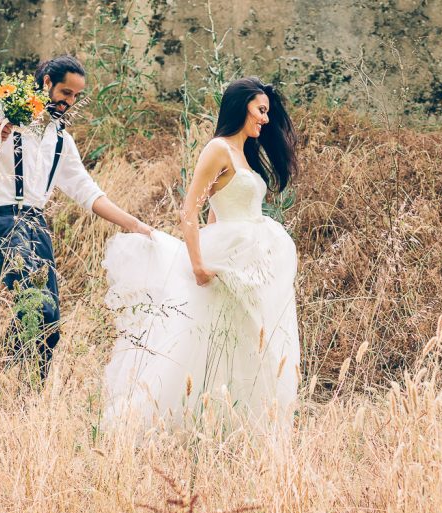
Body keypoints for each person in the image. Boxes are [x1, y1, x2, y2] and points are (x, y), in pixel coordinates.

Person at [101, 76, 300, 429]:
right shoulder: (218, 149)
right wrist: (198, 265)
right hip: (222, 262)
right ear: (241, 106)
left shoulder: (245, 154)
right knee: (203, 341)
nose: (265, 118)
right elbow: (190, 209)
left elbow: (215, 206)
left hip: (246, 261)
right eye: (260, 110)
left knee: (247, 340)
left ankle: (235, 423)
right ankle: (177, 420)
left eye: (267, 112)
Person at [0, 54, 153, 382]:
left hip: (36, 228)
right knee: (38, 304)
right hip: (0, 222)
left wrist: (135, 225)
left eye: (76, 96)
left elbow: (87, 191)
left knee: (50, 321)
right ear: (46, 83)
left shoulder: (60, 140)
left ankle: (26, 393)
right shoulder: (1, 114)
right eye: (66, 92)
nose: (69, 102)